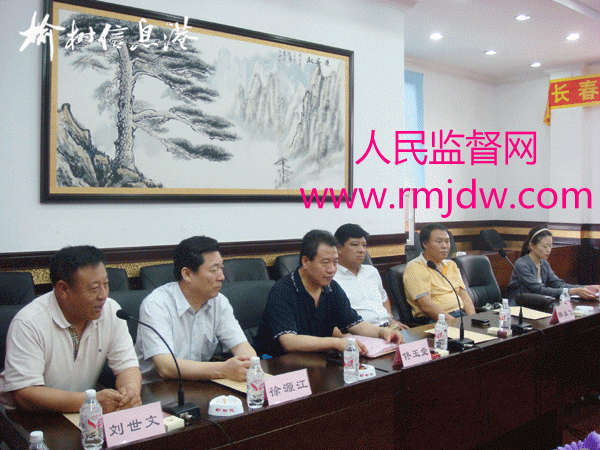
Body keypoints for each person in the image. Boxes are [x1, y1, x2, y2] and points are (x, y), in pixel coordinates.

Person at [0, 246, 141, 413]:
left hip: (80, 413)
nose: (103, 295)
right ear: (63, 289)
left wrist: (130, 394)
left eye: (106, 284)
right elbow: (25, 394)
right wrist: (91, 402)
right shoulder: (28, 323)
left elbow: (127, 366)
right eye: (94, 288)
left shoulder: (111, 311)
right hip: (27, 418)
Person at [255, 230, 404, 357]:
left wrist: (383, 332)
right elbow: (289, 341)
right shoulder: (282, 290)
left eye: (335, 262)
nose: (332, 269)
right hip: (277, 363)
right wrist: (336, 343)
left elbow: (355, 323)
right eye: (325, 262)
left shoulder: (332, 288)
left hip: (316, 358)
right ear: (305, 262)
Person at [135, 236, 256, 384]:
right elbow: (166, 367)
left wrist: (248, 363)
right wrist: (223, 369)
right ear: (187, 274)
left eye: (221, 268)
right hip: (157, 388)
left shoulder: (219, 302)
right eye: (214, 270)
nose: (222, 277)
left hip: (198, 384)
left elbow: (241, 346)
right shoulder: (156, 304)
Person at [333, 223, 408, 331]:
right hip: (361, 333)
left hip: (389, 328)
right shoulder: (332, 278)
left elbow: (384, 298)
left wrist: (391, 319)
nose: (362, 250)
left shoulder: (371, 271)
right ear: (339, 248)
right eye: (355, 245)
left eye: (364, 245)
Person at [403, 223, 476, 323]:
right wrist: (456, 324)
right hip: (436, 320)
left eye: (447, 241)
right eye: (439, 242)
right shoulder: (415, 267)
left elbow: (464, 296)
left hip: (461, 315)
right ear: (425, 244)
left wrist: (473, 320)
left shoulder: (451, 265)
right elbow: (426, 306)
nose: (445, 246)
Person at [505, 227, 600, 301]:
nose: (548, 250)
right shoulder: (521, 264)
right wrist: (573, 291)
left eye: (550, 246)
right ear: (532, 246)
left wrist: (586, 288)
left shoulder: (544, 263)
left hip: (537, 303)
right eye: (544, 246)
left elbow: (558, 284)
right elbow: (539, 290)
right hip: (519, 307)